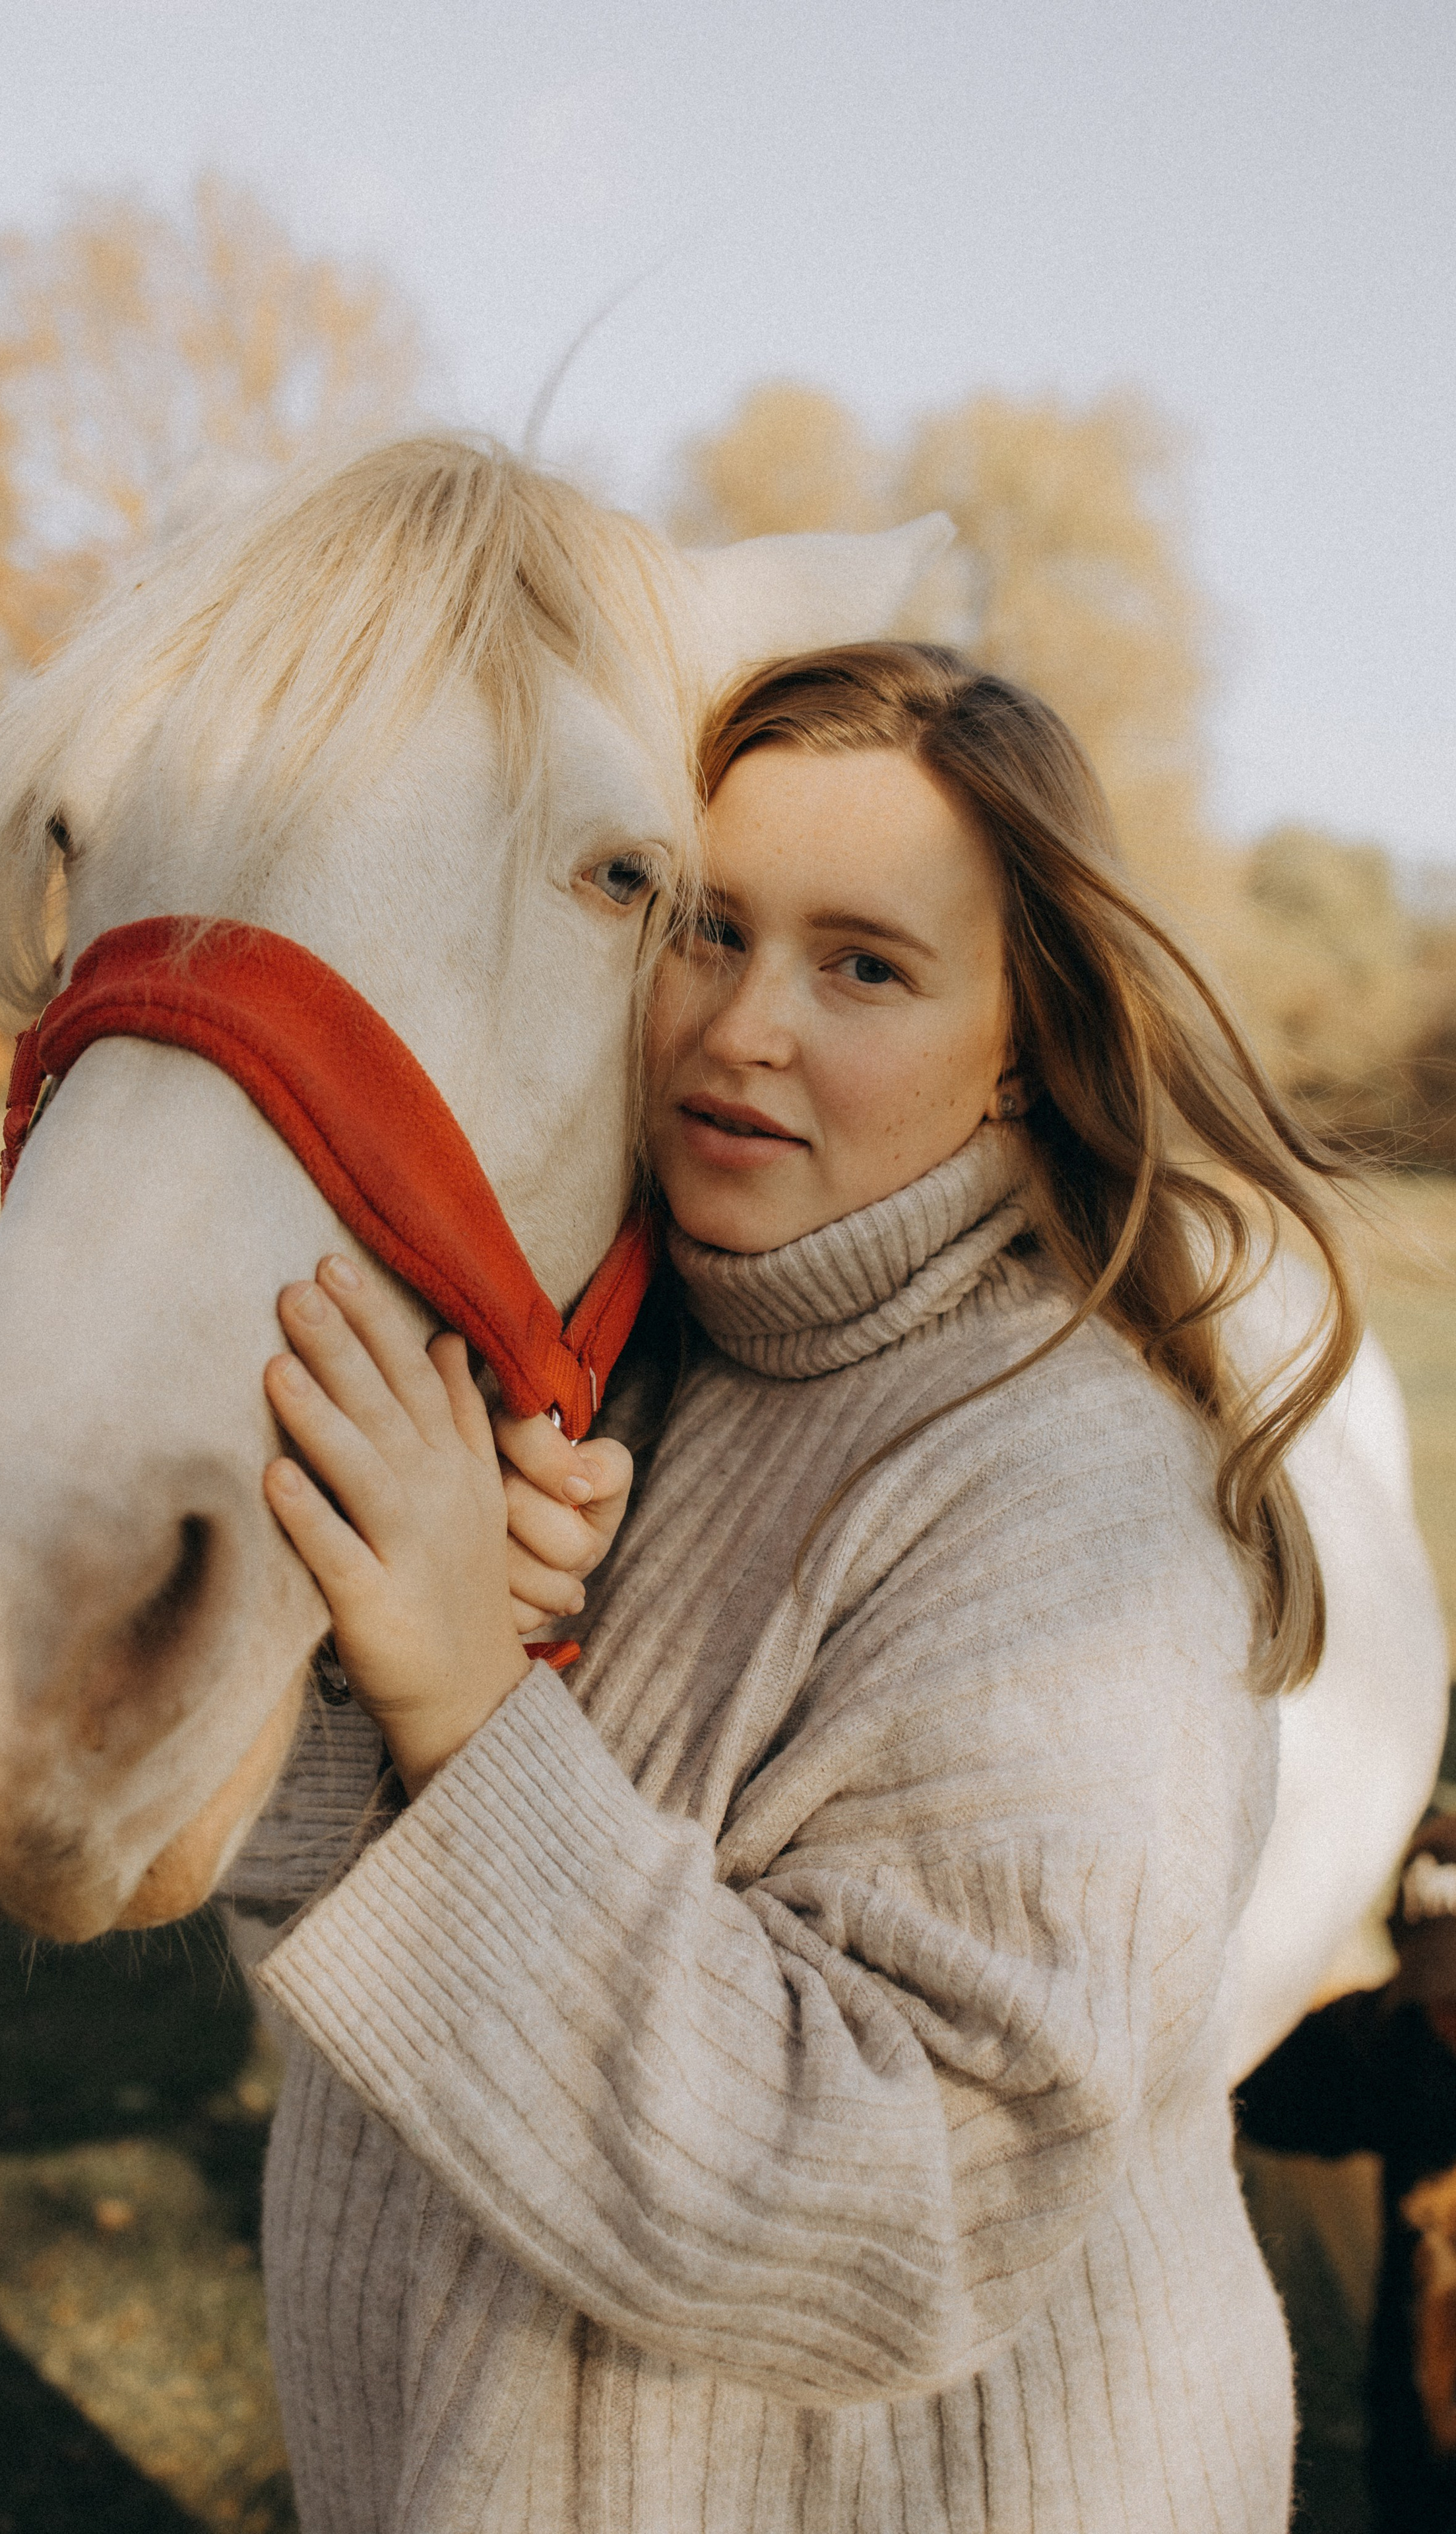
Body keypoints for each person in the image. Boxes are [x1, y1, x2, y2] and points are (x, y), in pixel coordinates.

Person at [229, 641, 1360, 2533]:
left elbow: (908, 2207)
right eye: (706, 928)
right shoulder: (621, 1367)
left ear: (1024, 1040)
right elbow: (340, 1975)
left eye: (863, 965)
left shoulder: (1078, 1507)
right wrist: (393, 1667)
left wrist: (470, 1708)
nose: (741, 1027)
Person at [1237, 1811, 1456, 2529]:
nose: (1447, 2026)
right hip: (1415, 2465)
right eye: (1440, 2001)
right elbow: (1256, 2084)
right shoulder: (1396, 2045)